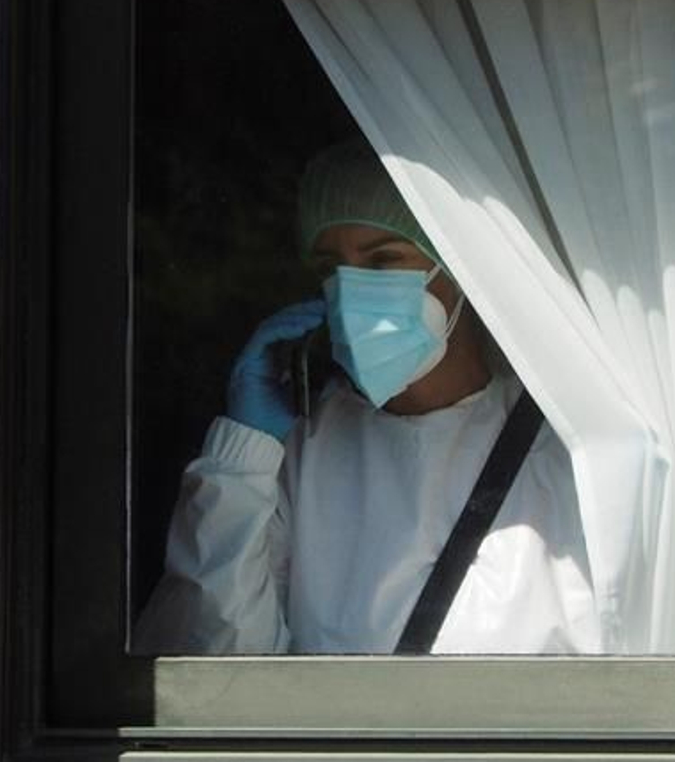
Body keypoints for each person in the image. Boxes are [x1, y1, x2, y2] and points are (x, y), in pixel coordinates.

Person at [135, 138, 600, 655]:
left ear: (462, 269)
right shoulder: (302, 451)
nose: (352, 291)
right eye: (332, 269)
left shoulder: (567, 443)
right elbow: (212, 659)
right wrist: (239, 464)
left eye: (382, 263)